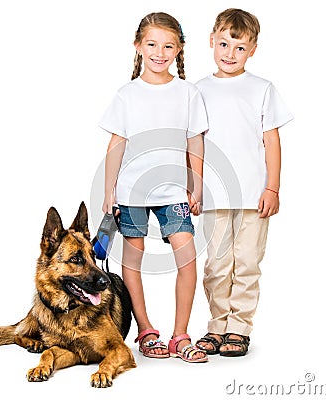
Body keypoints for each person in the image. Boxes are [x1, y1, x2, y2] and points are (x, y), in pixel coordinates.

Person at [99, 12, 208, 363]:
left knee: (186, 255)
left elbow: (195, 142)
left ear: (179, 50)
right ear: (138, 46)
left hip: (174, 192)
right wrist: (108, 191)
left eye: (168, 46)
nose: (160, 53)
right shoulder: (127, 94)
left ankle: (180, 335)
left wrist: (197, 185)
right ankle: (146, 330)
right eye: (152, 45)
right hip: (132, 193)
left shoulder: (188, 93)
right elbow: (117, 143)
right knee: (134, 259)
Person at [195, 8, 293, 357]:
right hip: (214, 194)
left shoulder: (262, 89)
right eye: (223, 44)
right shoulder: (199, 90)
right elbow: (194, 142)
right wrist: (194, 186)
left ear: (252, 49)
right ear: (211, 42)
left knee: (247, 261)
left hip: (254, 196)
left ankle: (239, 328)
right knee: (217, 265)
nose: (230, 53)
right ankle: (217, 325)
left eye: (239, 47)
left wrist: (273, 188)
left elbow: (272, 141)